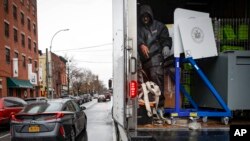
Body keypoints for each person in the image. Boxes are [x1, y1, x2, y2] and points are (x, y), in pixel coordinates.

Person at [137, 5, 172, 111]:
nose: (145, 18)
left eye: (147, 16)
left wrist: (166, 46)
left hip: (156, 57)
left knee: (156, 76)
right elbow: (136, 38)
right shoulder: (139, 29)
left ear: (150, 16)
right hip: (143, 60)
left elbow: (166, 38)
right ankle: (148, 106)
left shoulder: (159, 26)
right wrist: (141, 44)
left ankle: (160, 106)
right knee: (144, 84)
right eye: (143, 17)